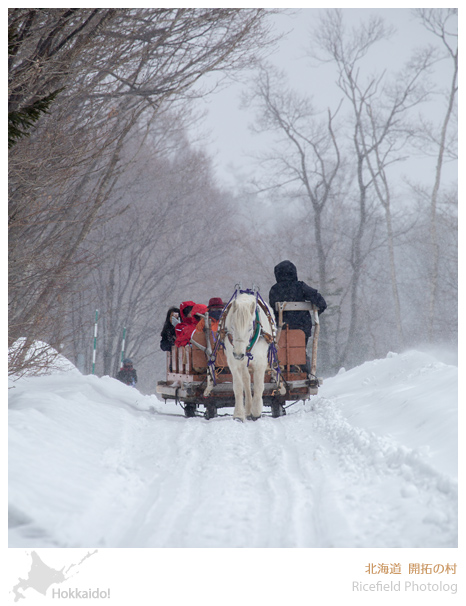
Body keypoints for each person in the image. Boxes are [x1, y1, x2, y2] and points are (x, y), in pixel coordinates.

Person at [269, 260, 327, 345]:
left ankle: (280, 355)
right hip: (302, 329)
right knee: (300, 348)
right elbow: (321, 303)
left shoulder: (274, 290)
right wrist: (315, 315)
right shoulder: (301, 287)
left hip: (281, 329)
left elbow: (272, 307)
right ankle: (302, 354)